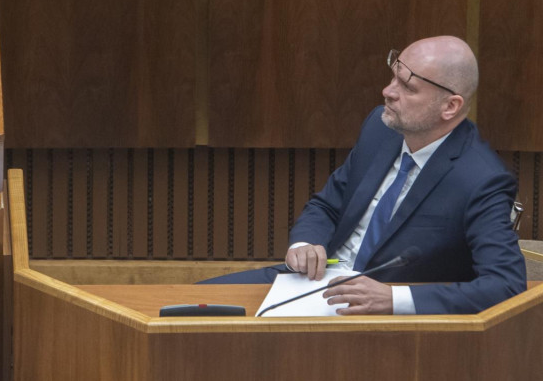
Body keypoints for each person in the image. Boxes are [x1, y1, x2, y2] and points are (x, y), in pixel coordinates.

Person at [204, 36, 526, 315]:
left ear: (450, 107)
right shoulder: (381, 128)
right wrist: (305, 243)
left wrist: (394, 299)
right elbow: (328, 205)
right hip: (313, 284)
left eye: (407, 87)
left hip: (382, 317)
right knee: (185, 307)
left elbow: (506, 285)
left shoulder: (481, 179)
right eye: (393, 77)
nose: (388, 91)